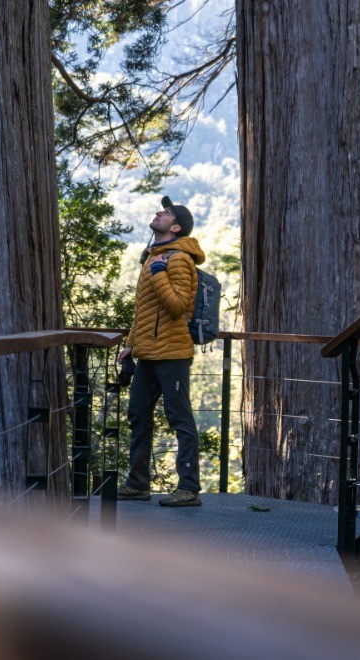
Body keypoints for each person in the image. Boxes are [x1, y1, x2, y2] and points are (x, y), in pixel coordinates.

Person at [116, 196, 205, 508]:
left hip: (173, 354)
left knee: (179, 418)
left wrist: (158, 273)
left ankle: (189, 488)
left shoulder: (177, 259)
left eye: (166, 212)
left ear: (176, 226)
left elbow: (179, 305)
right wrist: (131, 344)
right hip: (148, 354)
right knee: (138, 414)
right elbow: (143, 311)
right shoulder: (154, 257)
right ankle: (137, 484)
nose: (158, 212)